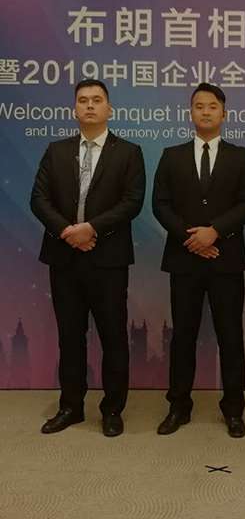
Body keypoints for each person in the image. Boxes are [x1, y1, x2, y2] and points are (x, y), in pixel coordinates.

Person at [31, 79, 146, 437]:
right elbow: (39, 199)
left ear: (109, 109)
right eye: (83, 100)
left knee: (113, 337)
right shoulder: (56, 151)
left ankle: (112, 410)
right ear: (74, 109)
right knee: (70, 336)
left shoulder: (128, 152)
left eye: (97, 100)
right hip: (64, 257)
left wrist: (91, 229)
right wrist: (68, 232)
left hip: (107, 259)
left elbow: (132, 202)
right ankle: (71, 406)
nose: (90, 105)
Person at [152, 83, 245, 438]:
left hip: (226, 259)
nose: (206, 111)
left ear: (224, 113)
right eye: (199, 106)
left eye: (213, 106)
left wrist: (215, 232)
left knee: (231, 336)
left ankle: (234, 409)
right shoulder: (172, 156)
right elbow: (160, 204)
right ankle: (178, 407)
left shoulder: (241, 156)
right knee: (182, 335)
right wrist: (192, 239)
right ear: (190, 113)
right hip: (184, 260)